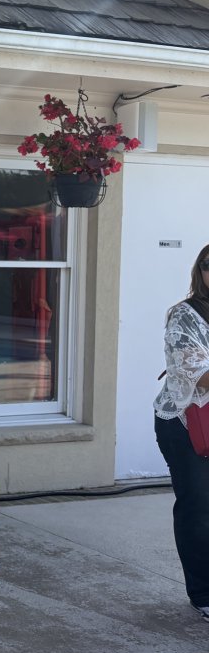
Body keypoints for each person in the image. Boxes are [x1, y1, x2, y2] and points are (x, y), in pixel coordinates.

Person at [154, 244, 209, 622]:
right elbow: (200, 376)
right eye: (208, 265)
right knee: (199, 508)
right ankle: (203, 594)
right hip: (189, 425)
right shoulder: (186, 316)